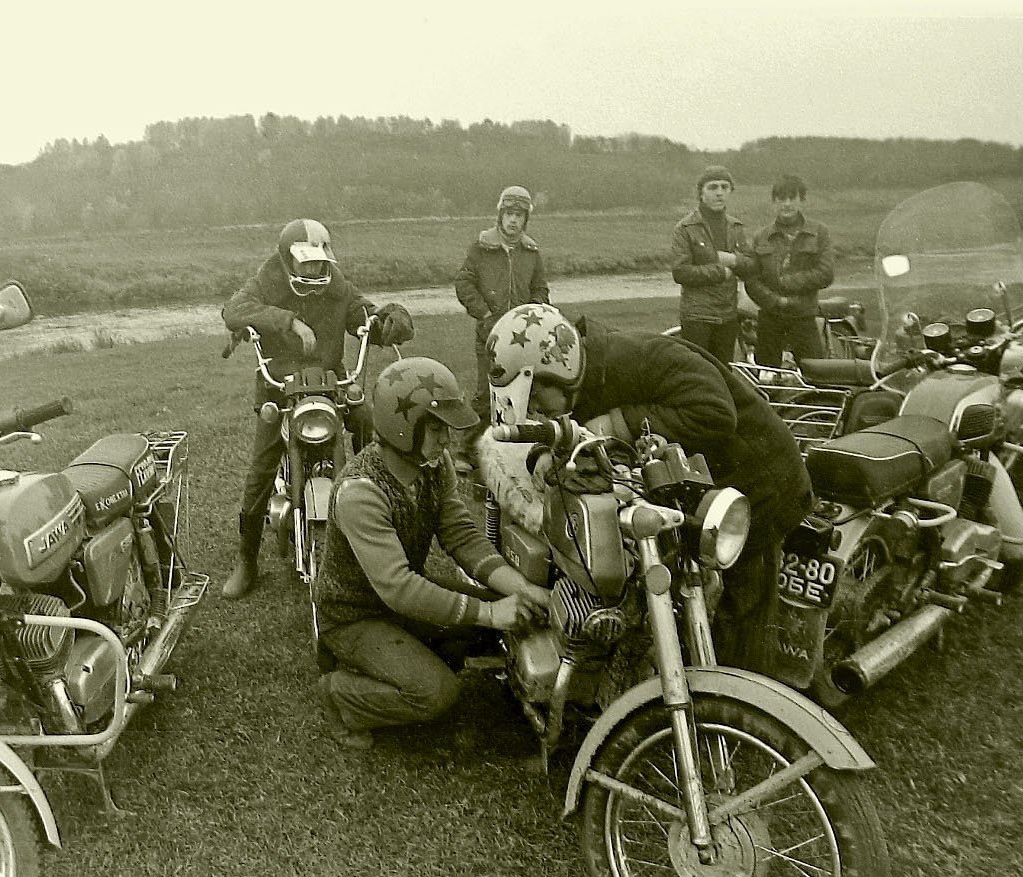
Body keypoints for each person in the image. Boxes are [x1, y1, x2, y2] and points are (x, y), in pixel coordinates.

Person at [485, 303, 812, 674]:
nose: (535, 409)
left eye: (536, 398)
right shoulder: (585, 376)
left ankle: (740, 698)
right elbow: (566, 425)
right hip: (694, 483)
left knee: (744, 610)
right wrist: (545, 450)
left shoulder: (643, 358)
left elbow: (716, 411)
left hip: (761, 483)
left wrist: (617, 423)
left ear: (559, 371)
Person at [310, 356, 551, 749]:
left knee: (511, 622)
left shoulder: (433, 465)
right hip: (354, 616)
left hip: (398, 605)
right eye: (436, 428)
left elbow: (462, 536)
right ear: (403, 428)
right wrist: (490, 612)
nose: (446, 440)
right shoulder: (360, 492)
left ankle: (418, 652)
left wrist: (522, 589)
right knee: (437, 694)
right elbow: (399, 588)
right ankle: (339, 693)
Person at [220, 218, 414, 600]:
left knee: (370, 427)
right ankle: (247, 558)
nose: (314, 269)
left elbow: (366, 316)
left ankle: (377, 512)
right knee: (261, 467)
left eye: (320, 261)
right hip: (279, 386)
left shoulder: (337, 287)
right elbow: (233, 310)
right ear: (287, 259)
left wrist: (389, 321)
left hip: (331, 383)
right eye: (306, 262)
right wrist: (289, 321)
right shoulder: (267, 281)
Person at [455, 185, 550, 425]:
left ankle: (518, 440)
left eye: (519, 215)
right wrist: (485, 314)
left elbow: (540, 288)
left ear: (525, 219)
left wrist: (532, 314)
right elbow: (464, 283)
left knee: (523, 394)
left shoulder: (531, 252)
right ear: (501, 215)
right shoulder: (481, 248)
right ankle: (474, 444)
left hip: (523, 338)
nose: (513, 220)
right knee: (485, 395)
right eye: (509, 214)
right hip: (489, 334)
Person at [743, 174, 835, 366]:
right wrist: (776, 301)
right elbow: (751, 279)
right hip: (770, 317)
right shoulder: (761, 237)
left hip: (804, 316)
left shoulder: (819, 232)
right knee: (766, 374)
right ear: (774, 202)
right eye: (781, 198)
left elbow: (825, 273)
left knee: (815, 372)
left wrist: (787, 282)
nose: (787, 204)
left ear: (802, 200)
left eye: (792, 198)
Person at [671, 165, 758, 364]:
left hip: (728, 316)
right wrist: (721, 272)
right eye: (713, 187)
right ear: (701, 193)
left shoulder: (736, 227)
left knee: (724, 373)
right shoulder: (685, 228)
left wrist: (734, 260)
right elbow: (681, 272)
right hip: (697, 317)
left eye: (724, 187)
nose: (719, 193)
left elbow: (751, 266)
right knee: (698, 372)